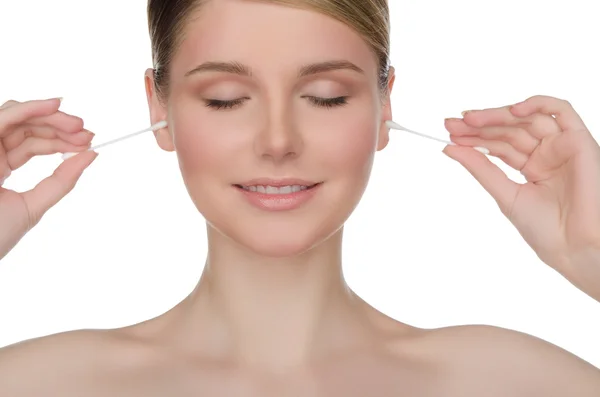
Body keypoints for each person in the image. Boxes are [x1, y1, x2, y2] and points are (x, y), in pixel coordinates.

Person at [1, 0, 599, 395]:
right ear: (159, 108)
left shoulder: (513, 383)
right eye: (226, 98)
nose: (279, 141)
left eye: (326, 95)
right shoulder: (39, 383)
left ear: (384, 103)